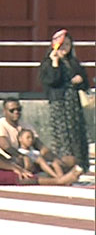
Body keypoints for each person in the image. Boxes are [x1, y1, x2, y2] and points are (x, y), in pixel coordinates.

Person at [0, 108, 80, 186]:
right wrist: (13, 168)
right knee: (14, 176)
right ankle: (58, 181)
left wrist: (11, 163)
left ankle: (56, 175)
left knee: (18, 169)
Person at [39, 29, 91, 173]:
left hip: (73, 103)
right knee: (62, 134)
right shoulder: (48, 63)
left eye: (67, 45)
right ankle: (66, 164)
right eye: (62, 45)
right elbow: (52, 81)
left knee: (77, 132)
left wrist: (80, 81)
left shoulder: (73, 62)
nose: (65, 48)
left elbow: (85, 82)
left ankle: (81, 163)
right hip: (59, 103)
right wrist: (55, 62)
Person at [0, 96, 76, 173]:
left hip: (30, 158)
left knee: (70, 160)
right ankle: (51, 173)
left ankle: (50, 170)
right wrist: (23, 156)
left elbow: (40, 146)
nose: (16, 112)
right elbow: (6, 147)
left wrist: (54, 158)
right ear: (4, 111)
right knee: (23, 161)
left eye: (19, 109)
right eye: (12, 110)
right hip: (9, 160)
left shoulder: (25, 125)